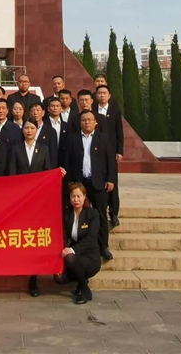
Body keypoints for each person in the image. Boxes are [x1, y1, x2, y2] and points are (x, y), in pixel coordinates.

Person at [10, 118, 64, 298]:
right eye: (26, 127)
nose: (29, 130)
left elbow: (48, 173)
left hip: (39, 202)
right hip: (20, 201)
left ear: (36, 130)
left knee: (34, 237)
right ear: (22, 130)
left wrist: (57, 175)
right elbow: (12, 175)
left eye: (32, 127)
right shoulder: (16, 149)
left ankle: (33, 278)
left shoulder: (45, 149)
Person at [65, 109, 115, 263]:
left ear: (95, 122)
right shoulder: (72, 138)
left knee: (100, 215)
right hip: (79, 184)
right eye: (83, 120)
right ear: (80, 123)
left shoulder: (103, 138)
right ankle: (77, 245)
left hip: (98, 183)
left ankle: (103, 247)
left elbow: (110, 161)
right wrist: (70, 182)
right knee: (78, 214)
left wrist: (111, 179)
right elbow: (67, 160)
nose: (86, 122)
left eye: (89, 120)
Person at [54, 182, 101, 305]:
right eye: (72, 196)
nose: (76, 200)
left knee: (70, 257)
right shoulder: (67, 214)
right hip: (74, 257)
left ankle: (85, 291)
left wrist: (72, 250)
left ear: (84, 196)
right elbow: (63, 236)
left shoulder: (92, 213)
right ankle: (81, 282)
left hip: (90, 256)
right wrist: (63, 249)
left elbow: (91, 238)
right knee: (58, 277)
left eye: (78, 196)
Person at [95, 82, 124, 228]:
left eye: (104, 93)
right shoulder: (93, 110)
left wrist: (119, 151)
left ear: (109, 96)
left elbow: (119, 132)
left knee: (112, 182)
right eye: (99, 93)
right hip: (96, 151)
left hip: (111, 152)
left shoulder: (114, 111)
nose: (101, 95)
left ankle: (113, 213)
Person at [29, 103, 58, 168]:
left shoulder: (51, 131)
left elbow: (53, 154)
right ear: (30, 113)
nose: (35, 113)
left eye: (38, 110)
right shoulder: (25, 129)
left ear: (43, 113)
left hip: (44, 168)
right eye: (33, 110)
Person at [44, 97, 70, 169]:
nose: (55, 108)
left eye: (57, 106)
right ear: (48, 109)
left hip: (62, 158)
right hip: (47, 159)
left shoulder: (67, 126)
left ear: (61, 108)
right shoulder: (43, 125)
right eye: (52, 106)